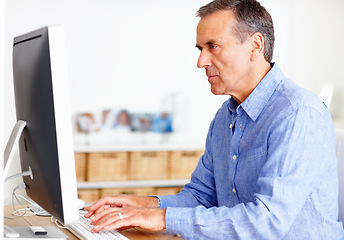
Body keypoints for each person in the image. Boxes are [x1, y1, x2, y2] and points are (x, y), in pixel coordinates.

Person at [84, 0, 344, 239]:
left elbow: (267, 220)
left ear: (255, 45)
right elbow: (201, 196)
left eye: (213, 46)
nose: (201, 61)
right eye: (200, 48)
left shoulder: (298, 113)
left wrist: (160, 217)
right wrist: (145, 205)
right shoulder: (225, 117)